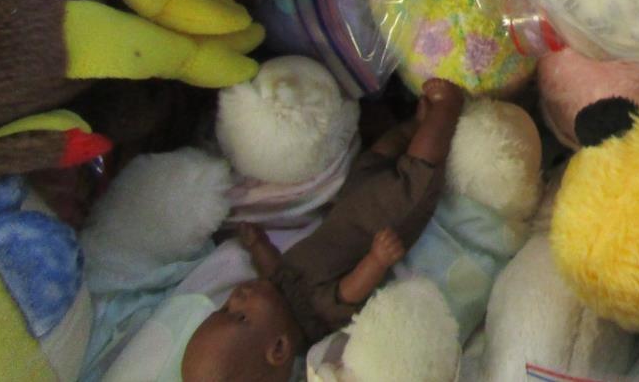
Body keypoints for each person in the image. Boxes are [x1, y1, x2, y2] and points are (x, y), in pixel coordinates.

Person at [180, 79, 465, 381]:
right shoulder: (318, 312)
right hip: (380, 223)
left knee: (379, 154)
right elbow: (350, 291)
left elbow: (271, 265)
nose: (236, 296)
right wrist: (377, 260)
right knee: (417, 171)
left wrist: (257, 244)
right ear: (278, 348)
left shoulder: (279, 287)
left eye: (224, 306)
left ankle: (416, 123)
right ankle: (448, 109)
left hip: (349, 204)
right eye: (239, 315)